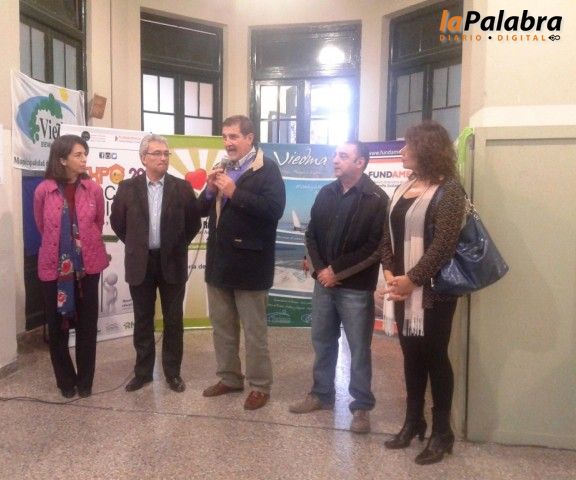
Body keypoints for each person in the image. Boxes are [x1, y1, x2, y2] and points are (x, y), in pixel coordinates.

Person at [380, 121, 465, 465]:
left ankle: (442, 432)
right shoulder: (404, 187)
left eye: (408, 145)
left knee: (435, 358)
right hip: (401, 289)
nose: (402, 151)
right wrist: (390, 274)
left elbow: (444, 245)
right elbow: (386, 235)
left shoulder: (450, 191)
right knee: (411, 356)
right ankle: (414, 421)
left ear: (427, 149)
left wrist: (412, 279)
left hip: (433, 293)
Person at [288, 141, 388, 433]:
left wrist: (337, 271)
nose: (335, 160)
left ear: (360, 162)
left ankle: (361, 407)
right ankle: (321, 395)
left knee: (358, 349)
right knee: (322, 342)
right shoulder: (326, 192)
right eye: (335, 155)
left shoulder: (376, 198)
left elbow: (375, 247)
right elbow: (311, 235)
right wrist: (322, 270)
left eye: (343, 156)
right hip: (324, 285)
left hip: (356, 289)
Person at [198, 115, 285, 410]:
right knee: (222, 327)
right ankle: (230, 378)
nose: (228, 143)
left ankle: (260, 385)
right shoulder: (222, 167)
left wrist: (235, 192)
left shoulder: (267, 169)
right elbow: (200, 209)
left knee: (254, 332)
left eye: (234, 136)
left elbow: (274, 210)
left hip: (251, 266)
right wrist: (210, 190)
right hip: (219, 263)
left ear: (249, 138)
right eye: (224, 137)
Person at [110, 134, 201, 393]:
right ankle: (143, 373)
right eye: (157, 153)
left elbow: (193, 223)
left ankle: (173, 373)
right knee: (142, 320)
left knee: (173, 320)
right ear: (143, 158)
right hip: (141, 263)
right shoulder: (127, 188)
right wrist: (138, 244)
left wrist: (176, 245)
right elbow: (118, 223)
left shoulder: (182, 188)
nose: (163, 158)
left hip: (172, 261)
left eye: (166, 153)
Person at [34, 134, 109, 399]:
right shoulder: (44, 190)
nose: (84, 159)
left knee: (87, 326)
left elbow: (97, 223)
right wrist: (64, 250)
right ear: (62, 159)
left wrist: (79, 248)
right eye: (78, 155)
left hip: (87, 267)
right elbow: (43, 227)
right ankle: (66, 381)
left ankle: (85, 381)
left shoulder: (93, 189)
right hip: (53, 268)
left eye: (84, 154)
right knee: (57, 328)